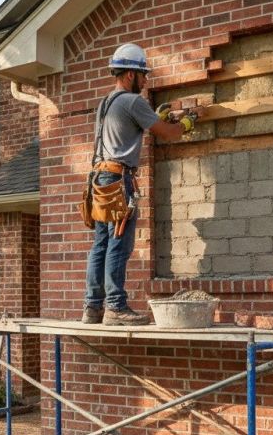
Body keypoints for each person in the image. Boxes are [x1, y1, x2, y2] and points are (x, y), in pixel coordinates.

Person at [82, 42, 205, 325]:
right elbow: (169, 133)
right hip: (118, 180)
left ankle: (93, 308)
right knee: (118, 245)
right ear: (129, 75)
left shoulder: (106, 103)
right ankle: (115, 307)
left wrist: (155, 117)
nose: (146, 81)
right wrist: (188, 122)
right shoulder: (133, 101)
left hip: (99, 180)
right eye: (143, 75)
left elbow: (130, 128)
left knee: (100, 243)